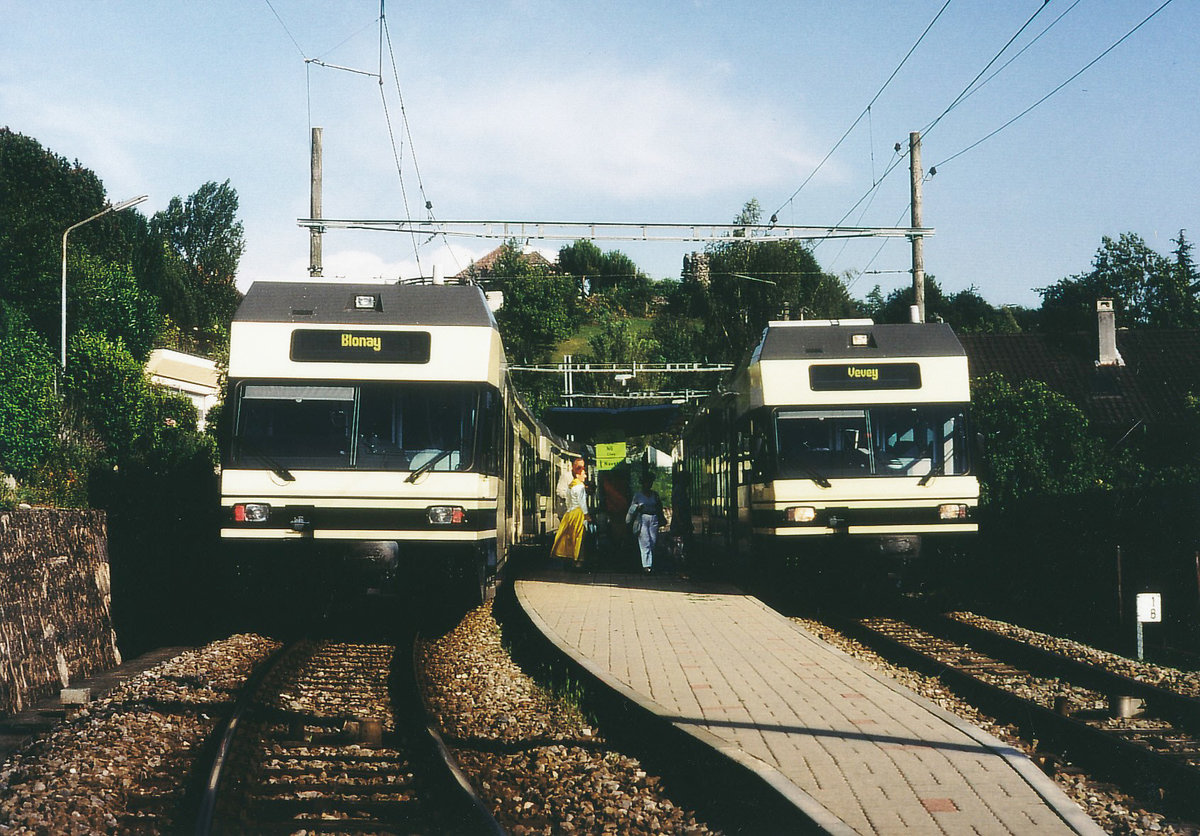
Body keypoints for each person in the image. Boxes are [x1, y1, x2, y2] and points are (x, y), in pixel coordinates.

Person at [551, 459, 589, 568]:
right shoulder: (566, 477)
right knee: (573, 536)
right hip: (567, 511)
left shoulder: (579, 481)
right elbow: (559, 491)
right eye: (579, 467)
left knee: (573, 535)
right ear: (574, 467)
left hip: (572, 511)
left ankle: (572, 558)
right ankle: (574, 559)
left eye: (583, 467)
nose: (582, 470)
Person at [627, 473, 666, 574]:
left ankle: (651, 562)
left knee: (653, 541)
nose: (648, 485)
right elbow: (632, 508)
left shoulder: (655, 495)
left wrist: (661, 518)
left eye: (650, 482)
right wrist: (637, 508)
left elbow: (659, 507)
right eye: (646, 483)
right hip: (642, 518)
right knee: (645, 541)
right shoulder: (638, 496)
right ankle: (647, 565)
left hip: (653, 518)